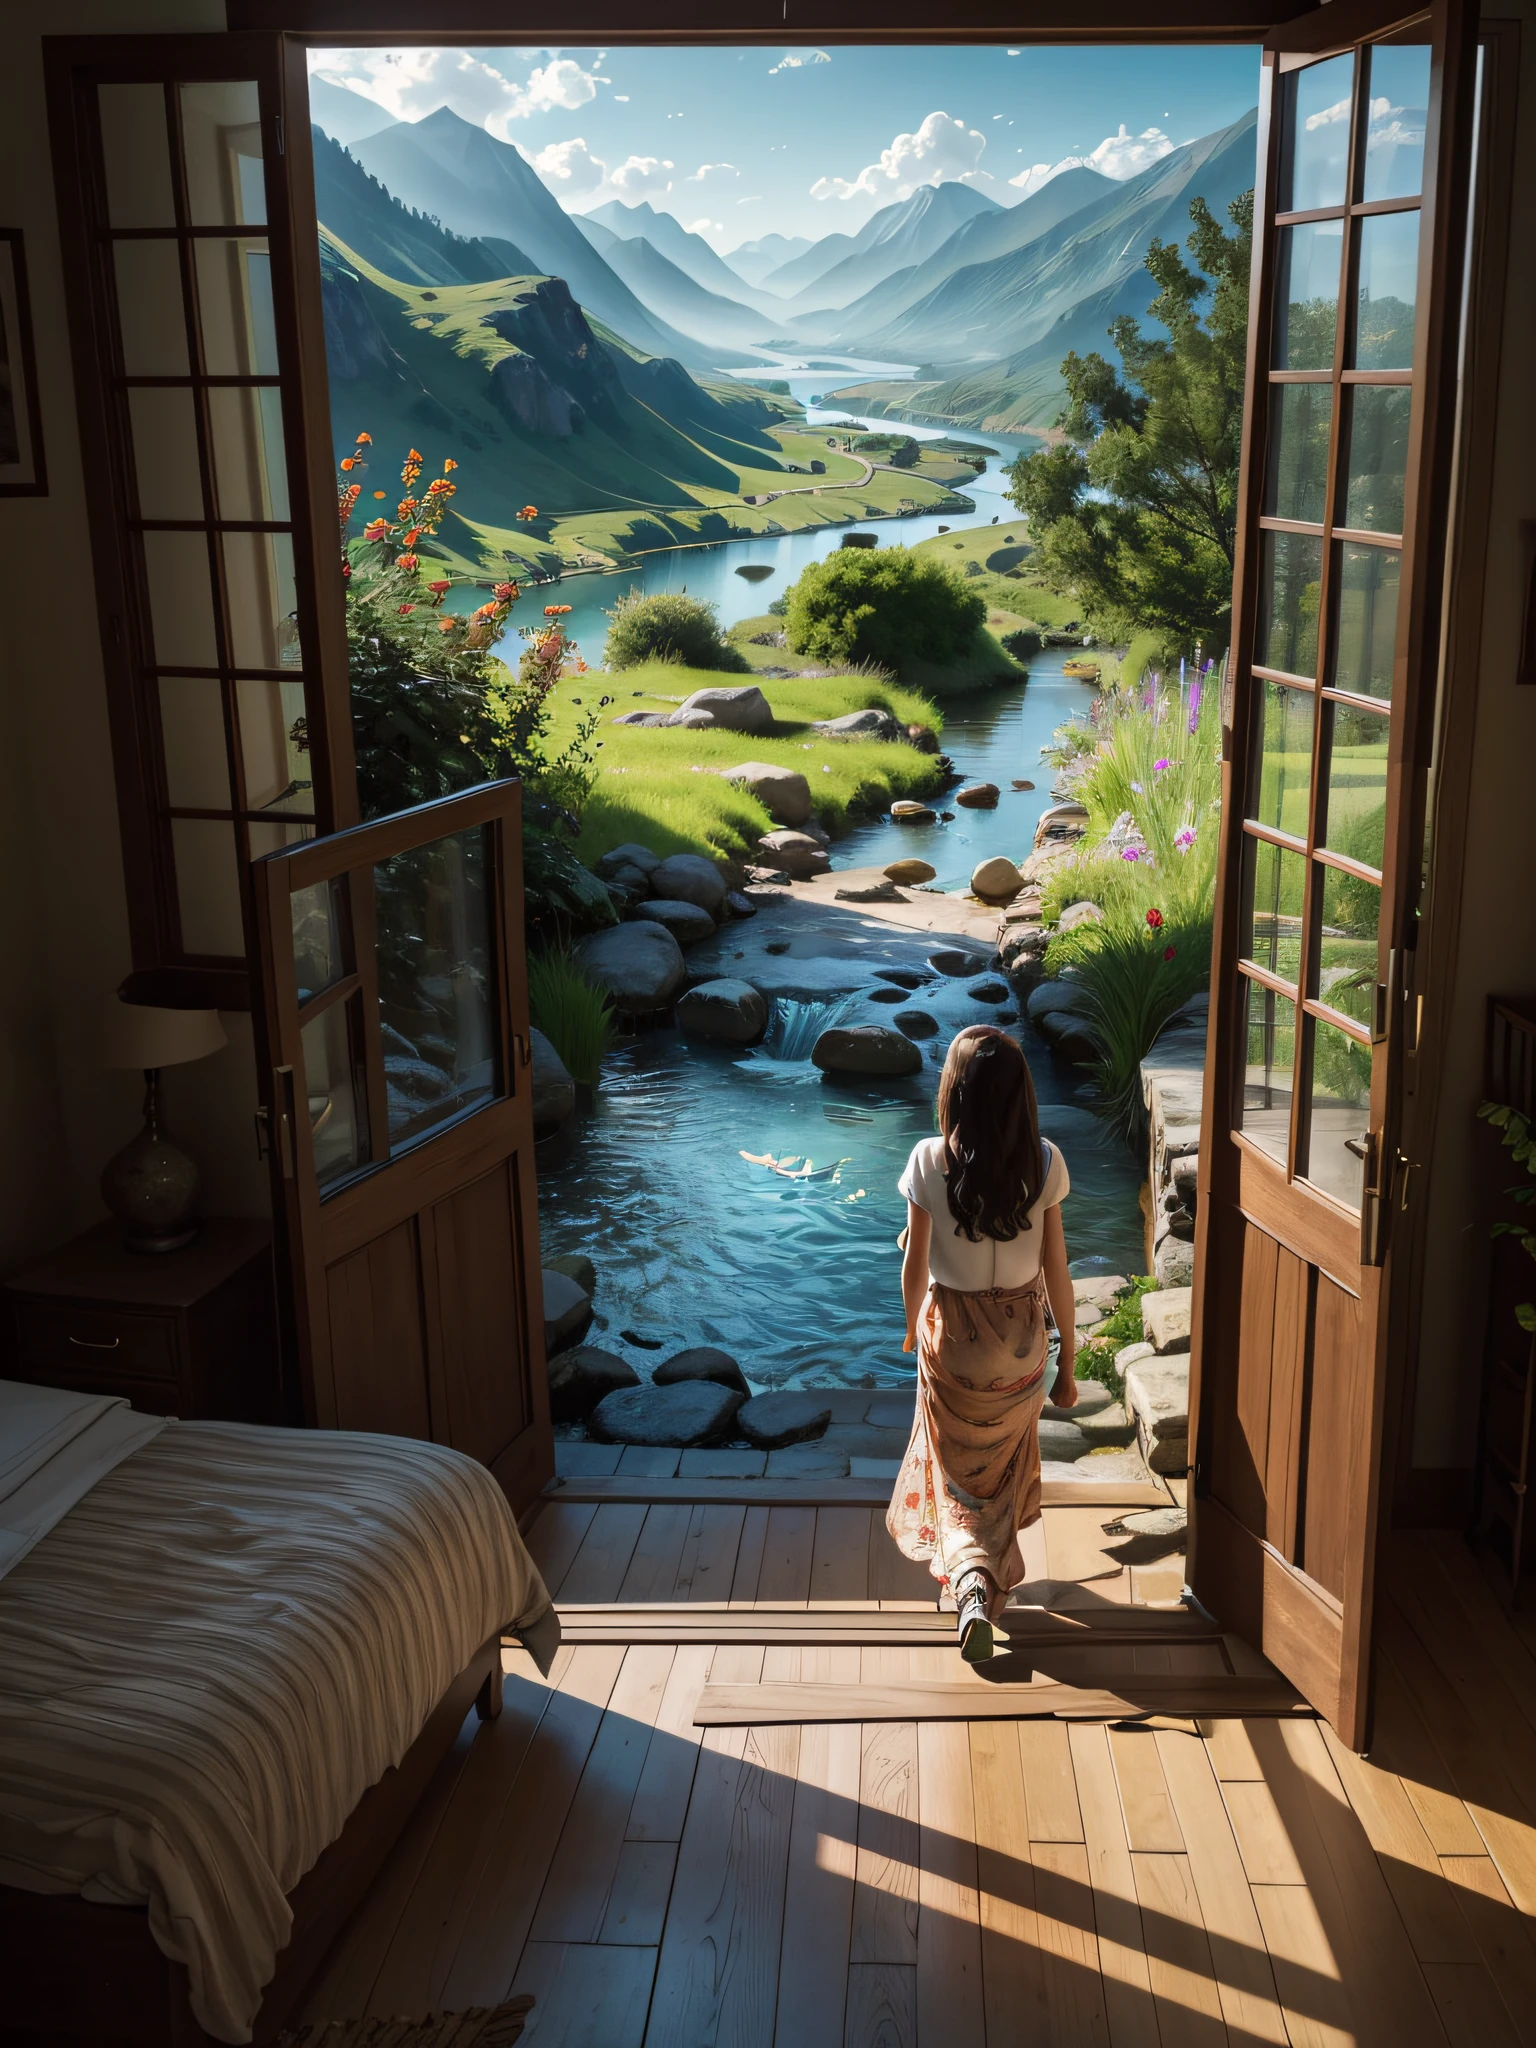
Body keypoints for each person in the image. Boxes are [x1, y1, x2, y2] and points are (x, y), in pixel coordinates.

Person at [888, 1025, 1077, 1662]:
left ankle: (971, 1586)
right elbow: (1058, 1271)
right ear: (1021, 1097)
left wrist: (913, 1328)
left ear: (954, 1094)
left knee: (955, 1475)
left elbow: (916, 1267)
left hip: (957, 1346)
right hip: (1023, 1347)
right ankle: (986, 1577)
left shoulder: (926, 1161)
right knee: (999, 1470)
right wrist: (1069, 1365)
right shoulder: (1046, 1163)